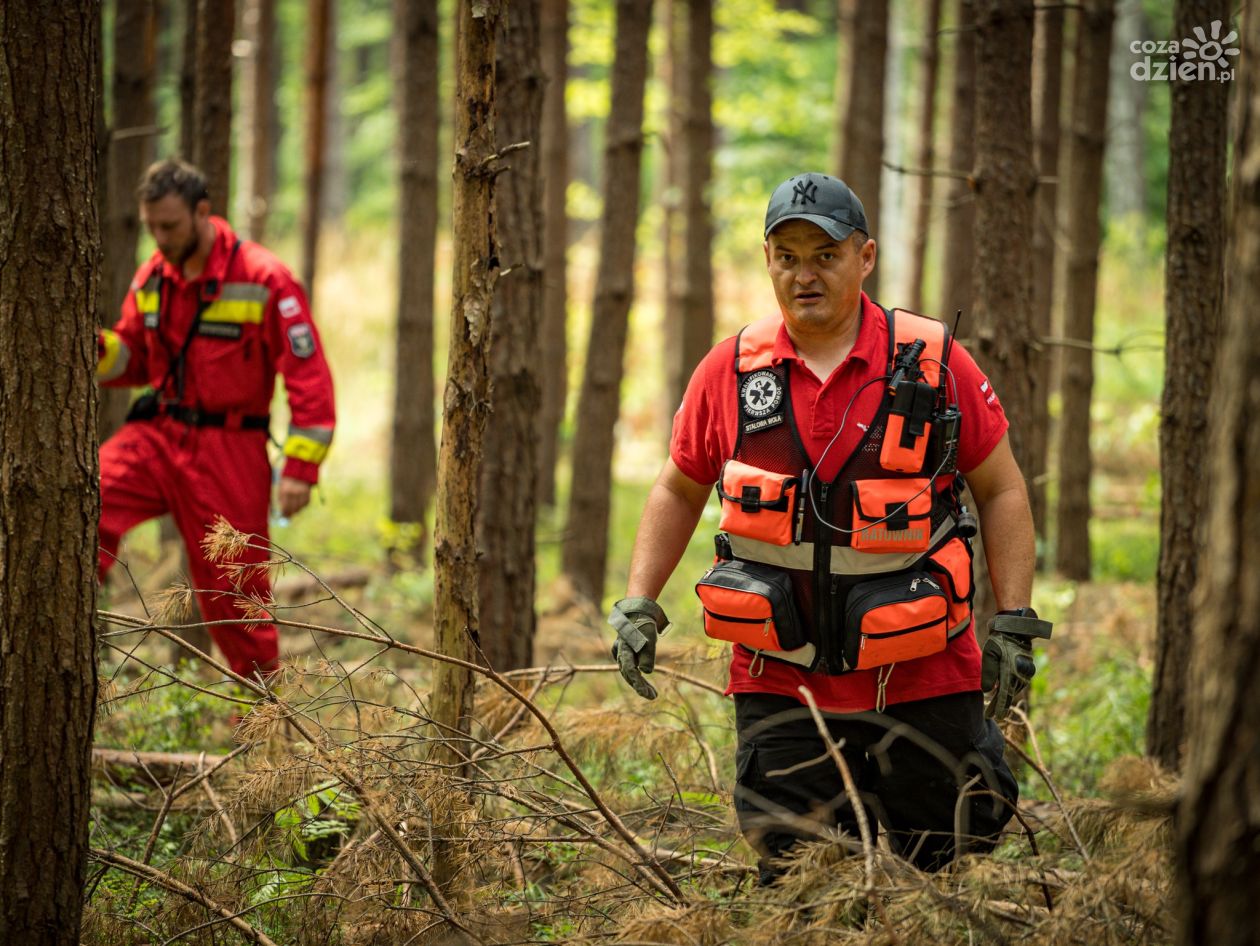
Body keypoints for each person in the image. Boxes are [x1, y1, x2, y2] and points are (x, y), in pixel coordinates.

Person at [608, 172, 1051, 881]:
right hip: (779, 683)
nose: (803, 274)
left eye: (825, 254)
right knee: (797, 877)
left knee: (941, 864)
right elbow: (678, 484)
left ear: (865, 257)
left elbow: (1000, 488)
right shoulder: (730, 369)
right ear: (767, 260)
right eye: (787, 256)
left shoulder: (935, 364)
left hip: (924, 678)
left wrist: (1016, 618)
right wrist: (639, 600)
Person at [96, 158, 336, 679]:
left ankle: (263, 718)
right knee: (84, 496)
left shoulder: (264, 279)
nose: (159, 239)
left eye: (171, 226)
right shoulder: (152, 277)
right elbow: (134, 357)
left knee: (237, 594)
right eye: (151, 227)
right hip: (157, 436)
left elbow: (309, 377)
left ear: (203, 212)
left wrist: (300, 466)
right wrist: (91, 349)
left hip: (230, 449)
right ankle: (62, 637)